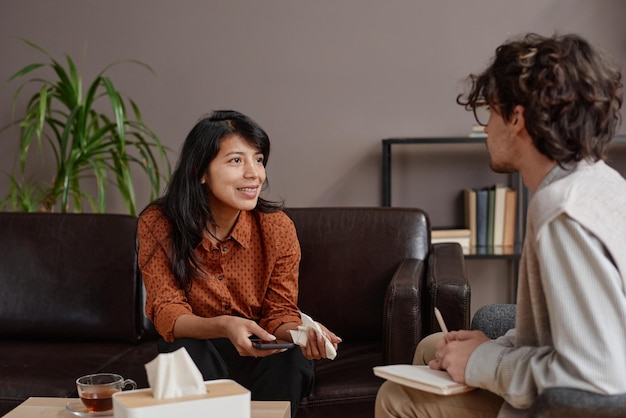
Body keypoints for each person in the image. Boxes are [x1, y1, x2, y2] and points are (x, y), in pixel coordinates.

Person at [375, 32, 626, 417]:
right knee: (432, 347)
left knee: (396, 397)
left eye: (491, 112)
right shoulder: (599, 182)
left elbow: (592, 378)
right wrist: (492, 346)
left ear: (518, 119)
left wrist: (482, 363)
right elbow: (564, 332)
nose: (487, 128)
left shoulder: (562, 212)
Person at [137, 110, 341, 417]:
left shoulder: (277, 228)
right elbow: (167, 311)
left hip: (262, 351)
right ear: (200, 171)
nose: (254, 174)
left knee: (291, 358)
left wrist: (304, 332)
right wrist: (222, 326)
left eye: (258, 160)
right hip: (200, 346)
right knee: (182, 349)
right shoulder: (159, 222)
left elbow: (278, 313)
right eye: (236, 160)